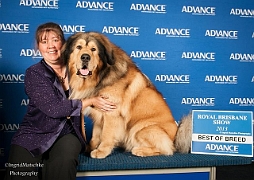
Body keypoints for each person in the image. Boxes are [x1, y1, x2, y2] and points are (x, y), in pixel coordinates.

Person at [4, 22, 116, 180]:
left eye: (55, 40)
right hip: (34, 132)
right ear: (38, 47)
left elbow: (109, 73)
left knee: (63, 164)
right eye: (44, 42)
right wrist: (90, 101)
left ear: (64, 44)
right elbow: (54, 109)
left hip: (67, 133)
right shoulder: (34, 73)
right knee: (20, 172)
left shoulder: (78, 68)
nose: (51, 46)